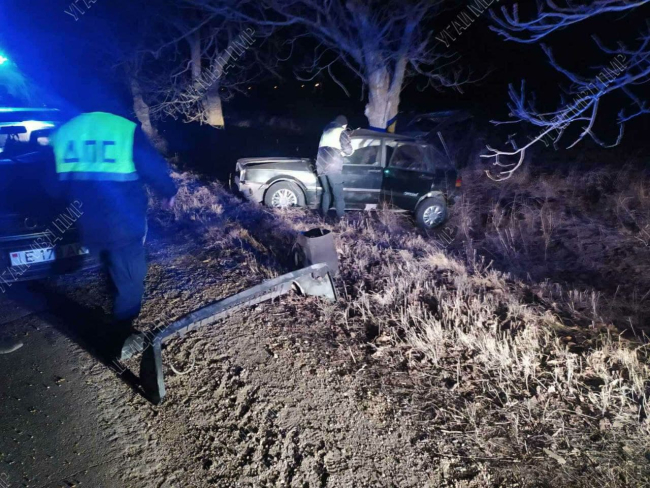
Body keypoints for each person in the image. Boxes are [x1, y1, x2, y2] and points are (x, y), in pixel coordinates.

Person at [51, 111, 177, 360]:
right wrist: (168, 190)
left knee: (108, 262)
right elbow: (151, 166)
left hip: (85, 220)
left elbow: (51, 186)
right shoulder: (124, 129)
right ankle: (121, 335)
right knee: (129, 275)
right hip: (122, 221)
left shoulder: (65, 130)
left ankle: (113, 301)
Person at [316, 115, 353, 221]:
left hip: (320, 165)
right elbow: (348, 150)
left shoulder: (326, 131)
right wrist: (349, 150)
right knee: (338, 195)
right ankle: (341, 219)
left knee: (326, 192)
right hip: (333, 166)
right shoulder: (341, 131)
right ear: (344, 124)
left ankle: (323, 217)